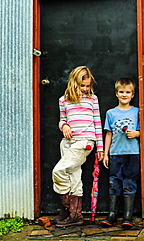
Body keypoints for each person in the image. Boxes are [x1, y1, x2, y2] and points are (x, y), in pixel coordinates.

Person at [52, 66, 104, 227]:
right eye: (82, 86)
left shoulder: (92, 99)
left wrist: (100, 148)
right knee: (74, 177)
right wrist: (64, 126)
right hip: (67, 142)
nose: (85, 89)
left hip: (84, 142)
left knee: (58, 171)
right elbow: (62, 119)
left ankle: (68, 208)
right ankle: (76, 215)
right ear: (74, 83)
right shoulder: (64, 100)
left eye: (88, 86)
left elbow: (97, 123)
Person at [100, 78, 140, 228]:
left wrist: (137, 134)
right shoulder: (111, 113)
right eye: (121, 92)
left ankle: (128, 216)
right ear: (116, 93)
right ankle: (112, 215)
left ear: (132, 94)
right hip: (116, 153)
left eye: (127, 92)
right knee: (114, 181)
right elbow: (109, 134)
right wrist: (105, 154)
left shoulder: (137, 111)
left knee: (129, 182)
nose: (124, 95)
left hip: (132, 153)